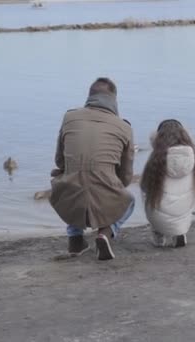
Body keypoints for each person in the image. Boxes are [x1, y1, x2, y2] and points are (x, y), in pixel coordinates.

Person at [50, 77, 134, 260]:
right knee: (130, 201)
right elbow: (126, 177)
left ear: (89, 96)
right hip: (104, 196)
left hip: (69, 196)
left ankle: (75, 239)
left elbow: (59, 161)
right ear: (114, 100)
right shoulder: (124, 128)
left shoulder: (69, 118)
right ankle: (106, 232)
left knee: (70, 174)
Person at [140, 119, 195, 247]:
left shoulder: (156, 157)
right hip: (183, 214)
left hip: (159, 218)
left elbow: (144, 187)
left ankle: (159, 234)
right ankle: (179, 233)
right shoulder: (192, 157)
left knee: (147, 193)